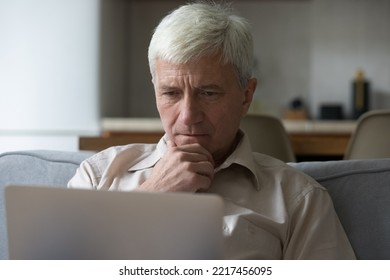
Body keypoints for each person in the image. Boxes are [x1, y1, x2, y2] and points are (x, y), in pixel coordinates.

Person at [68, 1, 355, 259]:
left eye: (208, 93)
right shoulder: (98, 176)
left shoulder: (298, 199)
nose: (188, 116)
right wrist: (150, 197)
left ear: (246, 95)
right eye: (170, 93)